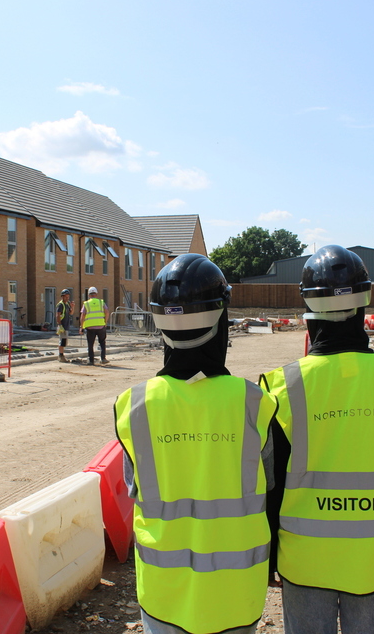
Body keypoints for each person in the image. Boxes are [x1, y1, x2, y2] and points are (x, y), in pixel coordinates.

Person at [259, 245, 374, 634]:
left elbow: (271, 486)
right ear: (364, 308)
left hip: (305, 560)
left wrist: (269, 558)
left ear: (309, 315)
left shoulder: (282, 386)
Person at [114, 253, 280, 634]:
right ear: (220, 318)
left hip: (163, 594)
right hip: (235, 595)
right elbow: (269, 489)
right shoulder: (255, 404)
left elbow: (135, 488)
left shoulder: (133, 406)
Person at [80, 286, 110, 366]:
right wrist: (105, 322)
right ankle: (103, 358)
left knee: (90, 344)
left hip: (90, 327)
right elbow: (107, 312)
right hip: (101, 326)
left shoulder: (86, 304)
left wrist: (81, 327)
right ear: (96, 294)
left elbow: (82, 316)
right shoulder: (101, 302)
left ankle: (91, 360)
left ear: (89, 295)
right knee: (102, 343)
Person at [56, 288, 73, 363]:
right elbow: (58, 315)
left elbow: (71, 313)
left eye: (68, 297)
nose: (67, 298)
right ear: (62, 296)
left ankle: (61, 355)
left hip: (66, 325)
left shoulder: (67, 304)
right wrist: (59, 325)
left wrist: (73, 307)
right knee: (62, 341)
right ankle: (61, 356)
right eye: (66, 297)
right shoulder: (60, 305)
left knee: (64, 341)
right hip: (62, 325)